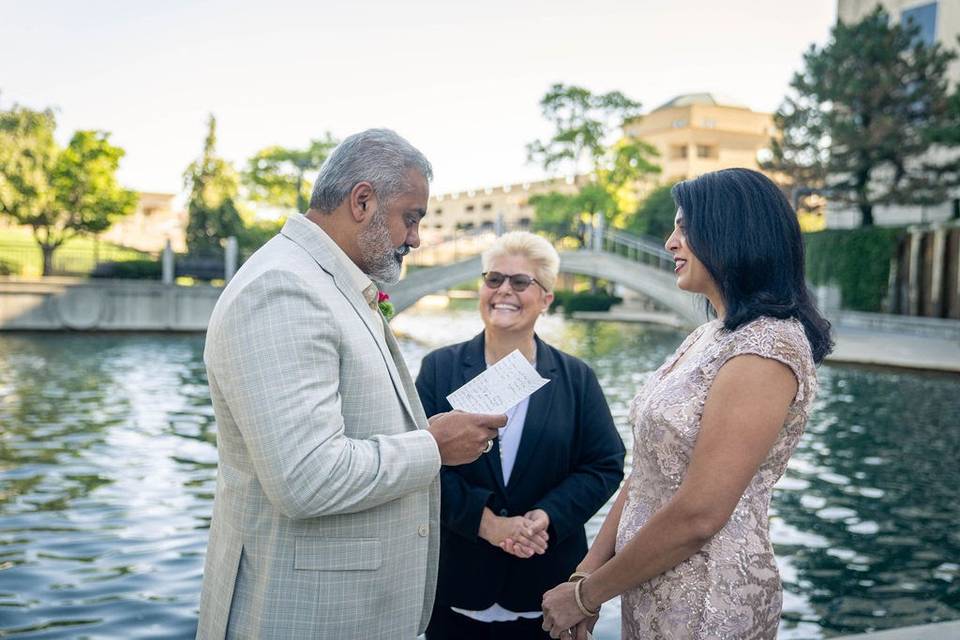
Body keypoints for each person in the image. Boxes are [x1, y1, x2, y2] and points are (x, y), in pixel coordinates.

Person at [195, 129, 506, 640]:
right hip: (303, 617)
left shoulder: (327, 281)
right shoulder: (284, 289)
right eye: (411, 217)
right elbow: (307, 478)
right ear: (362, 201)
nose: (416, 239)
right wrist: (433, 446)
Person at [542, 168, 833, 640]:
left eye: (684, 227)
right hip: (651, 583)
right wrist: (585, 573)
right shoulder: (711, 335)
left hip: (709, 599)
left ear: (730, 233)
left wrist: (587, 596)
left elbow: (700, 513)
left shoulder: (767, 349)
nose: (670, 242)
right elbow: (646, 473)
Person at [416, 231, 625, 640]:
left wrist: (547, 516)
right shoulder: (439, 368)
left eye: (520, 282)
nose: (503, 291)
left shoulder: (576, 377)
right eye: (493, 279)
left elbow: (604, 464)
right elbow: (417, 462)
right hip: (455, 588)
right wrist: (487, 523)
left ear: (546, 298)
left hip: (545, 595)